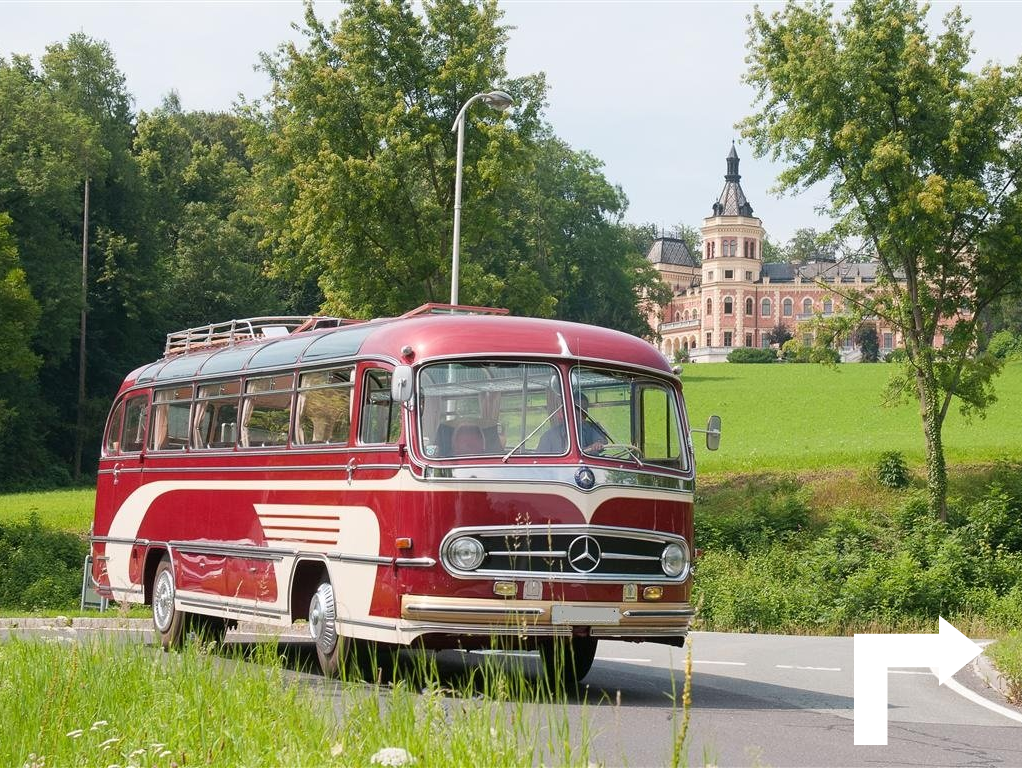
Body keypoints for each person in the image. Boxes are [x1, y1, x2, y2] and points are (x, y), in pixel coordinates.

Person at [537, 393, 607, 454]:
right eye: (578, 409)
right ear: (568, 410)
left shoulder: (592, 428)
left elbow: (602, 441)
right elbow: (541, 460)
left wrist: (598, 443)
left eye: (585, 409)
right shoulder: (549, 436)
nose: (584, 413)